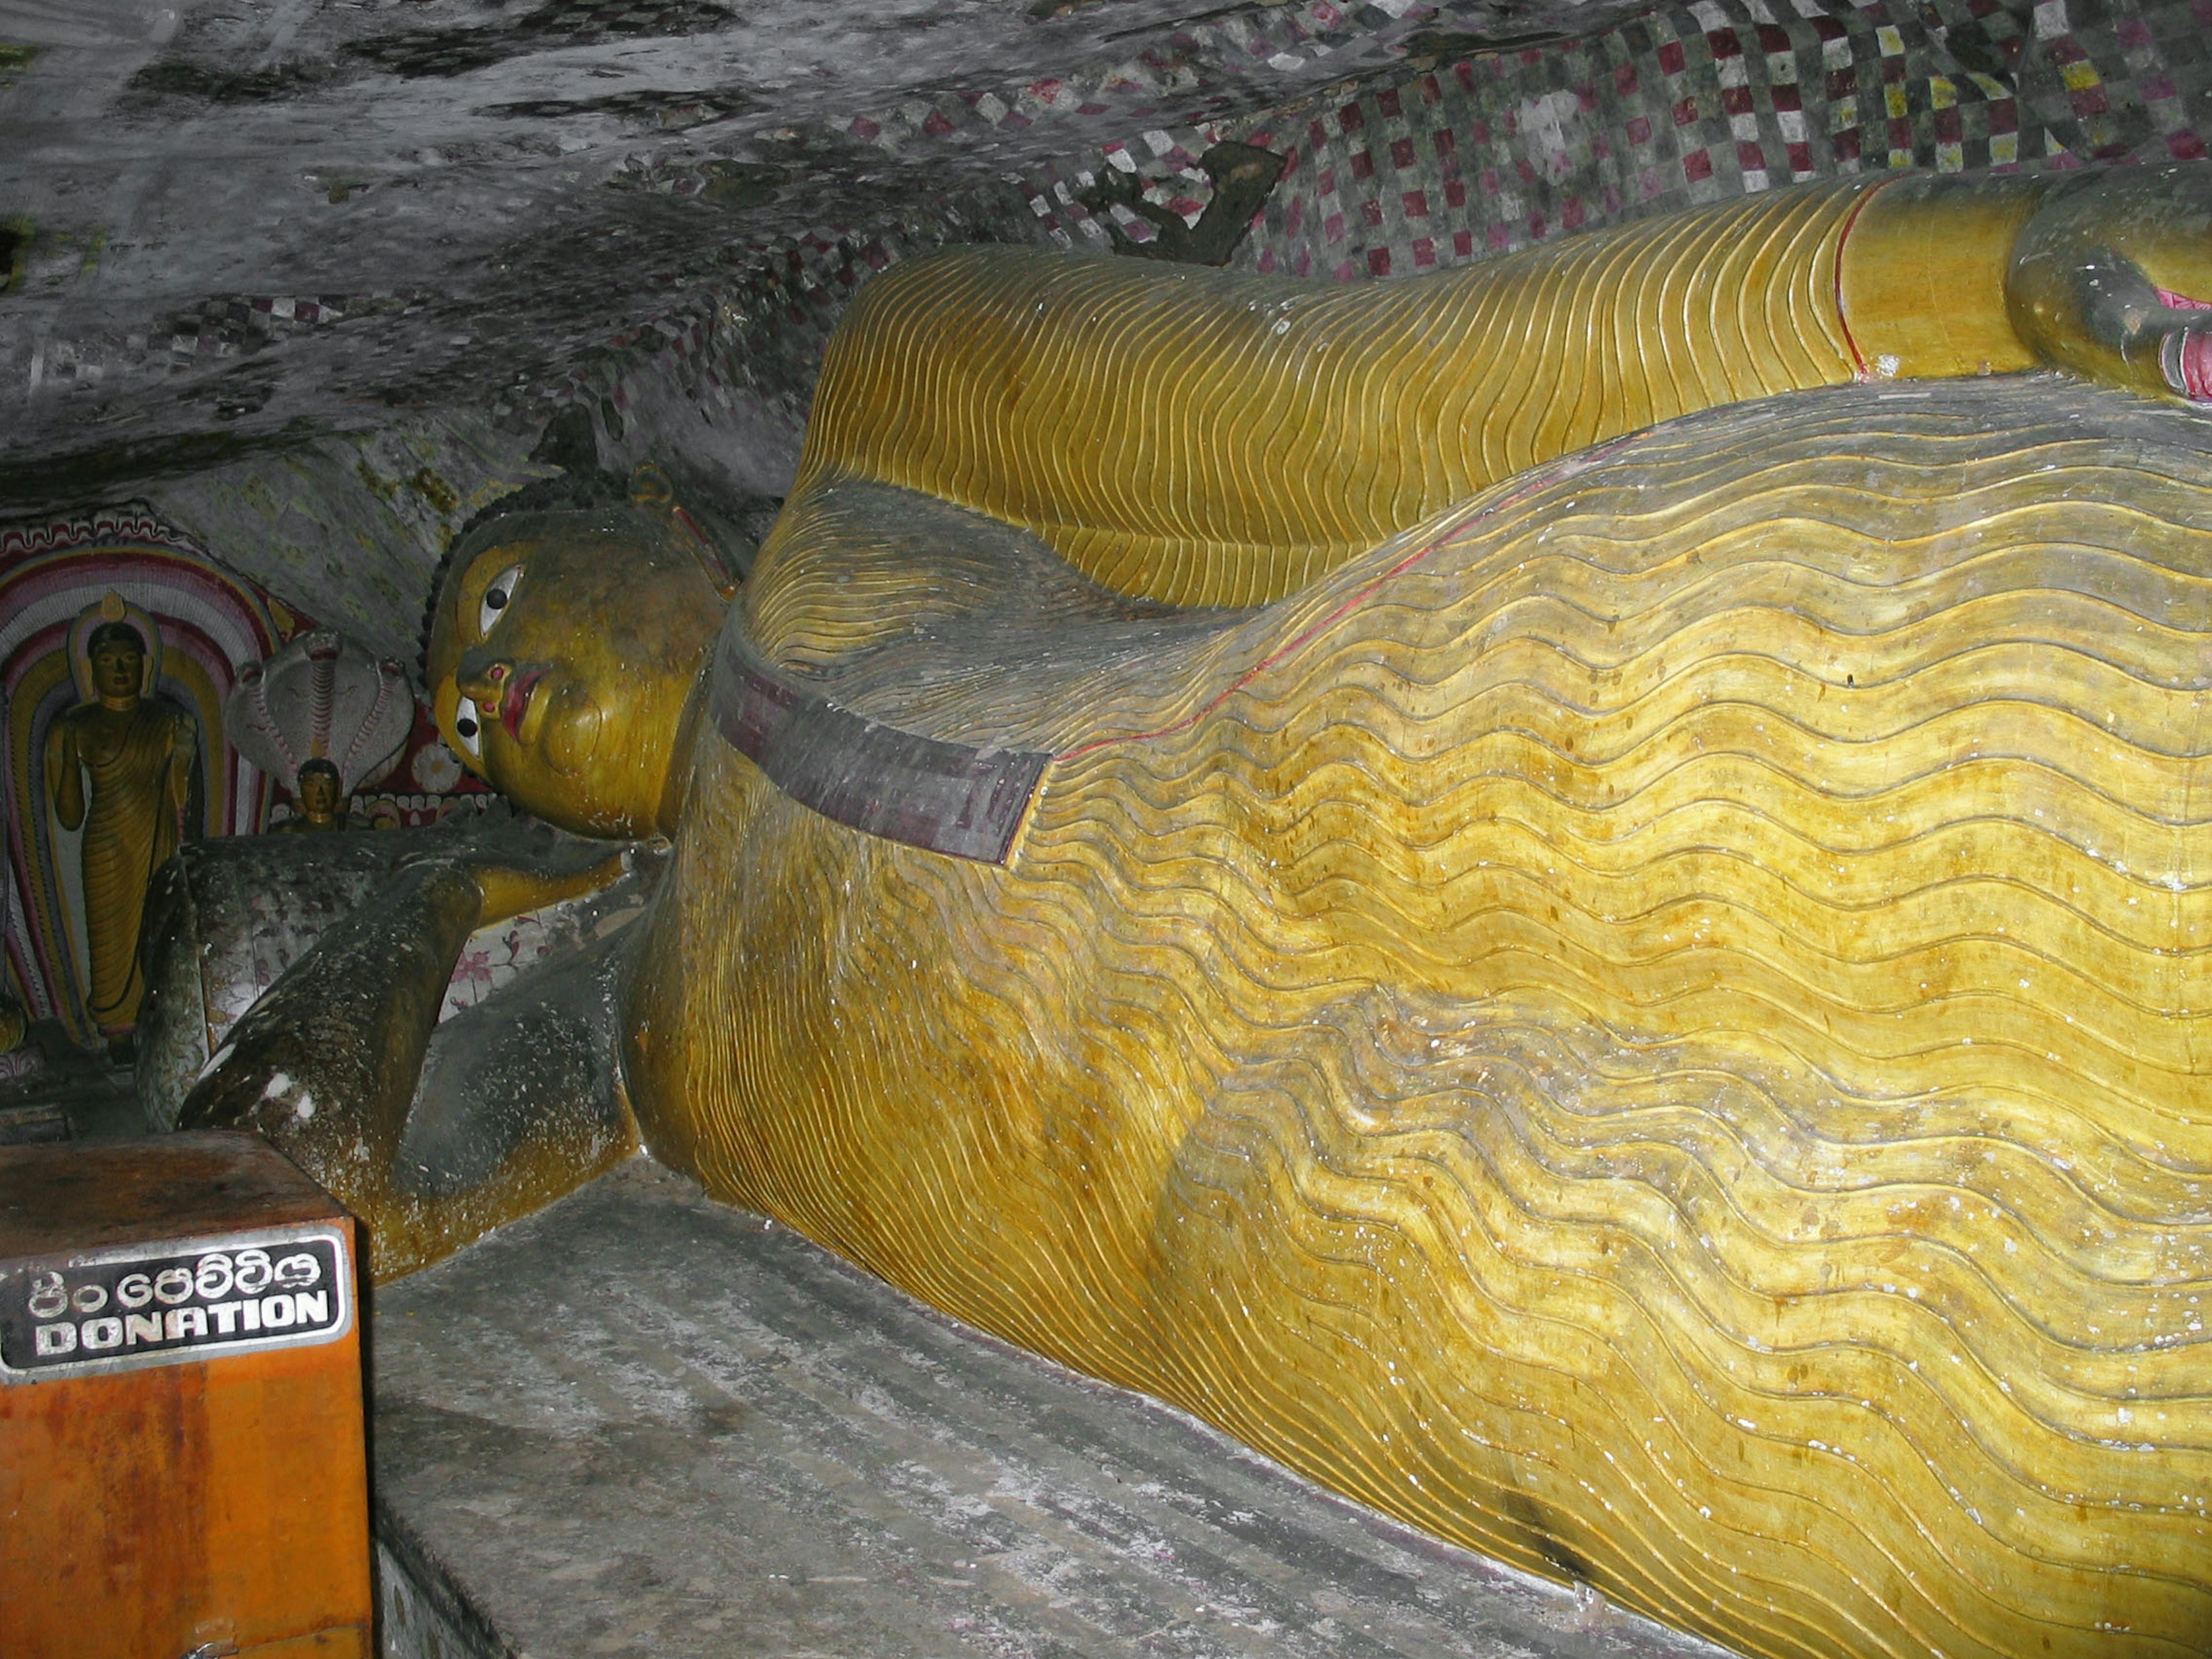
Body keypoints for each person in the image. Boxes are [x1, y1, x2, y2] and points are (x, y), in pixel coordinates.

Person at [184, 166, 2212, 1659]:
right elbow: (335, 1197)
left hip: (1425, 739)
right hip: (1330, 1237)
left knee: (2057, 775)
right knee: (2026, 1441)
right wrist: (444, 890)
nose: (491, 695)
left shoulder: (886, 439)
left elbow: (1338, 403)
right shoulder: (635, 1018)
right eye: (461, 711)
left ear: (638, 512)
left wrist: (1949, 275)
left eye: (508, 597)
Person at [46, 608, 196, 1050]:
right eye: (109, 661)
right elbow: (69, 816)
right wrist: (62, 752)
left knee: (159, 926)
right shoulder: (78, 724)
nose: (120, 669)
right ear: (91, 668)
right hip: (107, 845)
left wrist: (184, 752)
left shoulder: (165, 719)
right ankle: (116, 1030)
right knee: (111, 941)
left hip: (158, 838)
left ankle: (158, 1016)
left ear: (145, 666)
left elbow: (180, 795)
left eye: (129, 660)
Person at [275, 758, 358, 832]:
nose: (320, 793)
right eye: (311, 785)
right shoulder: (287, 831)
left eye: (327, 785)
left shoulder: (354, 829)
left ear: (338, 789)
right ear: (301, 790)